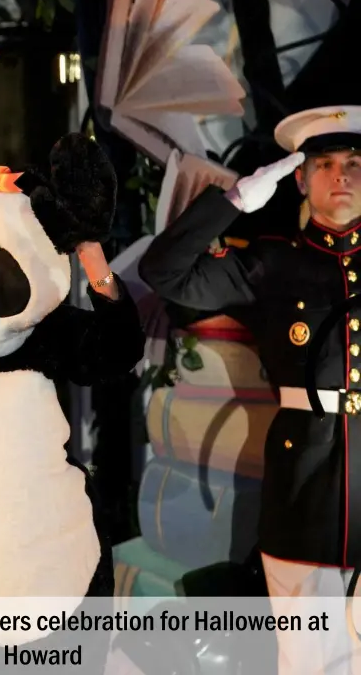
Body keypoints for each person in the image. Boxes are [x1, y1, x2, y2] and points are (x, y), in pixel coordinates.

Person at [139, 105, 361, 673]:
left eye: (356, 163)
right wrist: (233, 203)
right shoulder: (272, 262)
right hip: (304, 488)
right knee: (311, 660)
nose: (342, 176)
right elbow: (164, 272)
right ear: (302, 180)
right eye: (326, 164)